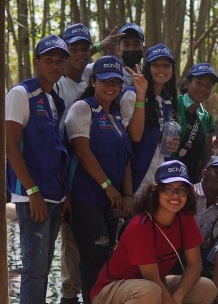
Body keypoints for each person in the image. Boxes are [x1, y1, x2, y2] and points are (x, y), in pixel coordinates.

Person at [90, 160, 217, 304]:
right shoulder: (141, 226)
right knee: (150, 291)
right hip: (111, 290)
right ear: (156, 189)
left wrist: (179, 295)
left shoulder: (185, 218)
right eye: (168, 189)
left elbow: (195, 264)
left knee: (207, 288)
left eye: (181, 190)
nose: (175, 195)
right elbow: (151, 277)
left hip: (152, 285)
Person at [5, 35, 71, 304]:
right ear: (36, 62)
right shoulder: (21, 93)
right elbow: (10, 146)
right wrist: (32, 191)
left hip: (54, 196)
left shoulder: (56, 100)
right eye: (48, 60)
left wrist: (64, 195)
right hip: (32, 195)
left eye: (59, 61)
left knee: (44, 268)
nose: (54, 66)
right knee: (34, 269)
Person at [65, 55, 134, 304]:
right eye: (105, 81)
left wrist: (127, 194)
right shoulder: (83, 108)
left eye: (116, 82)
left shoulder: (116, 117)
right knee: (93, 256)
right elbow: (83, 153)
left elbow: (125, 158)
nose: (111, 86)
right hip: (87, 198)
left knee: (107, 257)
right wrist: (108, 187)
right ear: (93, 81)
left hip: (112, 202)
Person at [56, 23, 93, 304]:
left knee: (88, 242)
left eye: (85, 49)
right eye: (74, 48)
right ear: (64, 53)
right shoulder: (56, 84)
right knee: (68, 243)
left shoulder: (90, 82)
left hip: (89, 173)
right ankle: (69, 296)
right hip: (63, 172)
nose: (80, 54)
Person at [121, 43, 179, 199]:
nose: (161, 70)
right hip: (137, 184)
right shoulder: (132, 95)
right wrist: (141, 96)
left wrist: (173, 143)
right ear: (147, 68)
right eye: (156, 65)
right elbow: (135, 136)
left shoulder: (169, 101)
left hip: (162, 183)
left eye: (166, 65)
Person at [175, 63, 218, 183]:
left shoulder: (207, 118)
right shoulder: (173, 105)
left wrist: (200, 181)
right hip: (170, 176)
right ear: (187, 83)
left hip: (192, 181)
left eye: (208, 85)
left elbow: (207, 155)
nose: (203, 89)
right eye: (198, 83)